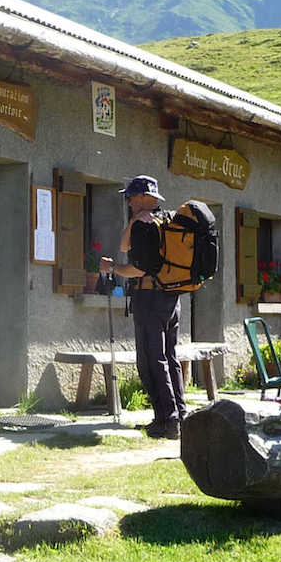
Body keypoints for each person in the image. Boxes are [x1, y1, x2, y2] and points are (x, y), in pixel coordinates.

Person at [100, 175, 186, 439]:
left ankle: (167, 421)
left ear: (142, 198)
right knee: (170, 357)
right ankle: (179, 416)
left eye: (131, 197)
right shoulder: (166, 221)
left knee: (151, 360)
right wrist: (133, 222)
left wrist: (114, 268)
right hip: (172, 298)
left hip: (150, 299)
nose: (128, 202)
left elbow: (138, 268)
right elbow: (125, 245)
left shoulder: (144, 227)